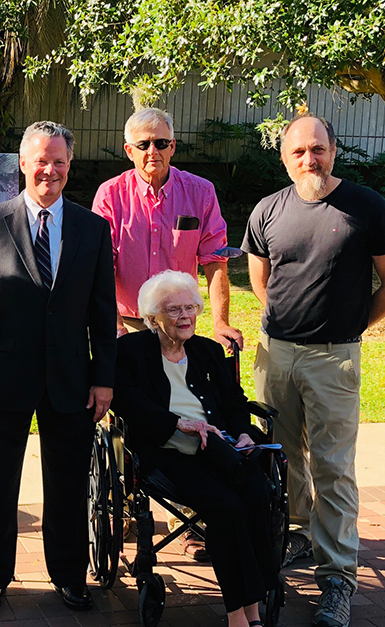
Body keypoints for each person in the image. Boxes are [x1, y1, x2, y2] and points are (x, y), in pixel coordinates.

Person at [243, 113, 385, 627]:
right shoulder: (269, 209)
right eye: (298, 152)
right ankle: (296, 533)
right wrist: (285, 331)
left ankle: (337, 579)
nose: (309, 159)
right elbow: (260, 278)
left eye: (318, 149)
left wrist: (348, 327)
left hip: (335, 357)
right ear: (285, 157)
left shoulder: (367, 207)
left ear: (334, 151)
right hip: (278, 355)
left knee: (333, 467)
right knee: (281, 456)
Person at [0, 121, 117, 614]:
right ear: (23, 163)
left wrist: (103, 378)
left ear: (70, 166)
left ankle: (68, 573)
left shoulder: (93, 228)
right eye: (41, 160)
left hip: (71, 379)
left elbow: (102, 310)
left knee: (68, 482)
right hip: (3, 376)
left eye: (60, 161)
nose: (50, 170)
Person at [111, 270, 279, 627]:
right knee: (224, 507)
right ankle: (238, 622)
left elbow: (235, 401)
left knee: (258, 494)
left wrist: (240, 432)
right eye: (174, 310)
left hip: (219, 451)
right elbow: (127, 402)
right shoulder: (132, 352)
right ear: (153, 317)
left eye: (190, 307)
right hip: (169, 455)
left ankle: (254, 607)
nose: (185, 316)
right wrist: (175, 424)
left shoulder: (205, 351)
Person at [93, 107, 240, 560]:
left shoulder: (200, 192)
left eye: (162, 143)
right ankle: (131, 505)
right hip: (132, 323)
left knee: (194, 405)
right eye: (144, 144)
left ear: (174, 146)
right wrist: (113, 328)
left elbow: (216, 262)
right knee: (137, 413)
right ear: (128, 150)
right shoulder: (111, 195)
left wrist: (216, 322)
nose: (153, 151)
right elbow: (100, 268)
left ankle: (194, 515)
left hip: (182, 320)